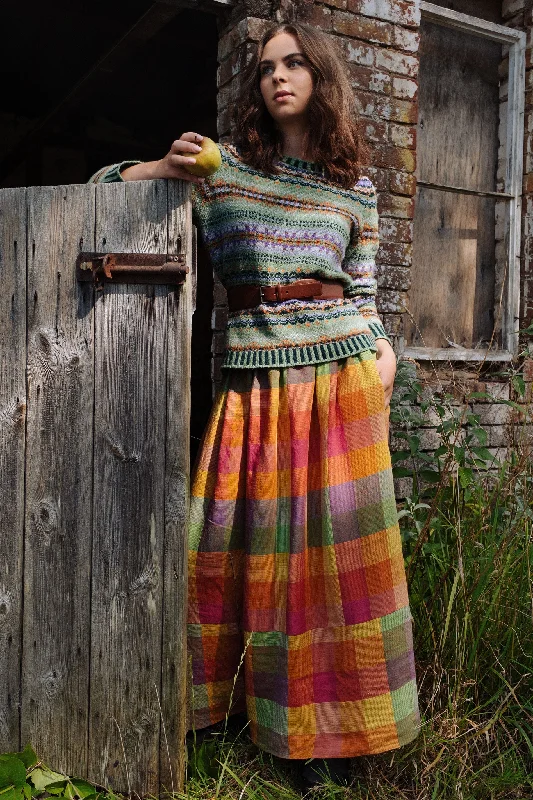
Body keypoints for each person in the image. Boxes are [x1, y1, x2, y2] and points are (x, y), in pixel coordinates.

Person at [90, 21, 420, 790]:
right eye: (267, 66)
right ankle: (236, 712)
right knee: (237, 552)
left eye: (295, 62)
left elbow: (364, 293)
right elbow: (101, 190)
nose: (278, 76)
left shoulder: (354, 189)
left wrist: (385, 355)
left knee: (334, 568)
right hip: (255, 384)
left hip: (343, 380)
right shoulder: (223, 172)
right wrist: (155, 168)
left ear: (321, 75)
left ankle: (325, 741)